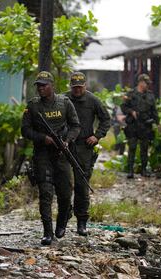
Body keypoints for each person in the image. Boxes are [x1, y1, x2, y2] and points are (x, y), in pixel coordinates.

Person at [21, 71, 80, 246]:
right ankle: (48, 232)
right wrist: (43, 138)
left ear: (51, 86)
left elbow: (75, 126)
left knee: (65, 193)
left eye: (44, 85)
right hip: (42, 155)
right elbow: (25, 130)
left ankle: (62, 222)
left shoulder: (65, 103)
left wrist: (67, 141)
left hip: (62, 155)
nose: (40, 88)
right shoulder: (32, 106)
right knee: (45, 193)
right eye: (38, 85)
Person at [65, 72, 110, 236]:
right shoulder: (63, 99)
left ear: (85, 86)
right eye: (74, 87)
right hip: (65, 144)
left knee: (82, 185)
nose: (77, 90)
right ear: (70, 87)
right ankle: (63, 218)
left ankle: (81, 221)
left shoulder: (93, 100)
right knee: (63, 184)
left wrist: (97, 136)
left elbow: (106, 119)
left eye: (80, 87)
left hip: (84, 145)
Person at [121, 74, 158, 179]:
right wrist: (131, 111)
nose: (147, 86)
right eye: (146, 83)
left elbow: (154, 111)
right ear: (141, 82)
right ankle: (130, 171)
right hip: (133, 125)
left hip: (145, 125)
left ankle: (144, 170)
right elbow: (123, 107)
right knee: (132, 148)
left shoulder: (150, 95)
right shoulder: (131, 94)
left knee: (144, 149)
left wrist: (157, 122)